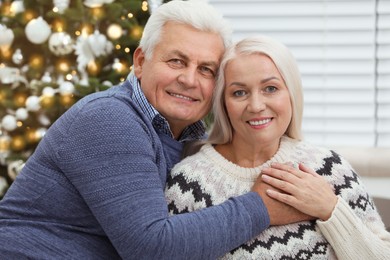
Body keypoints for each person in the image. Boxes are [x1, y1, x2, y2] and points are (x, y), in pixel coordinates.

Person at [0, 1, 310, 259]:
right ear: (140, 61)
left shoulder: (184, 135)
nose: (190, 79)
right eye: (176, 61)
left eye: (206, 69)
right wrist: (262, 207)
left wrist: (328, 203)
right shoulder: (110, 119)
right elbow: (151, 247)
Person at [165, 35, 390, 259]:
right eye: (239, 92)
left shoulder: (329, 168)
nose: (256, 106)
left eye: (270, 88)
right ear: (223, 103)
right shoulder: (188, 184)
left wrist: (331, 209)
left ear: (291, 94)